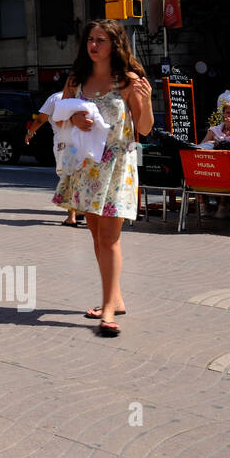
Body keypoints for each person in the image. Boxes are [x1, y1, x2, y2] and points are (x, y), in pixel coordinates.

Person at [51, 19, 154, 337]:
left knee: (110, 238)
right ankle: (116, 298)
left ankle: (108, 310)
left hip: (116, 169)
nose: (94, 45)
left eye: (102, 40)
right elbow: (59, 114)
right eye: (90, 40)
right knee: (97, 237)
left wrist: (147, 99)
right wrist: (74, 115)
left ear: (115, 44)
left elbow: (145, 128)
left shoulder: (127, 80)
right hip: (85, 168)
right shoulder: (77, 80)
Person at [26, 89, 81, 226]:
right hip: (83, 142)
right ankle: (79, 211)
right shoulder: (84, 96)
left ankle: (71, 216)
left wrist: (30, 133)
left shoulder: (56, 98)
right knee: (80, 177)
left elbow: (40, 119)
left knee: (67, 177)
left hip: (64, 144)